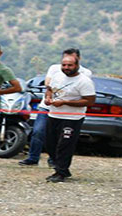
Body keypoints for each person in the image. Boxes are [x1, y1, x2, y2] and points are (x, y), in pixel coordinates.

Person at [19, 48, 91, 166]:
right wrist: (50, 95)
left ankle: (54, 160)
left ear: (78, 59)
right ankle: (33, 157)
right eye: (65, 60)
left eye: (71, 60)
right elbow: (48, 84)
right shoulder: (54, 68)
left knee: (59, 137)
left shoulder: (85, 73)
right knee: (38, 131)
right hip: (47, 107)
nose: (67, 65)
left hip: (66, 111)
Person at [43, 54, 95, 183]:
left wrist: (65, 102)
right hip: (54, 115)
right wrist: (48, 98)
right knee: (50, 144)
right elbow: (50, 89)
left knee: (65, 145)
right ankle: (61, 168)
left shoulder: (84, 81)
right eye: (64, 65)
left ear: (77, 66)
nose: (66, 67)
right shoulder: (57, 76)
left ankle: (60, 172)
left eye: (70, 65)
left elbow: (90, 101)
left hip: (72, 118)